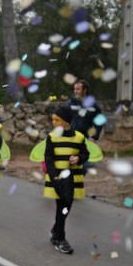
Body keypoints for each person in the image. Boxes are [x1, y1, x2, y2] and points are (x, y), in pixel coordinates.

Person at [43, 105, 90, 255]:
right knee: (62, 206)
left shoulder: (79, 137)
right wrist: (55, 176)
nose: (54, 123)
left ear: (66, 121)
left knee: (66, 205)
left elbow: (85, 154)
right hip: (57, 178)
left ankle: (56, 229)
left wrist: (79, 158)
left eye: (57, 120)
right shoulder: (51, 137)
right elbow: (48, 159)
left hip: (73, 178)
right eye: (53, 120)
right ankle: (60, 238)